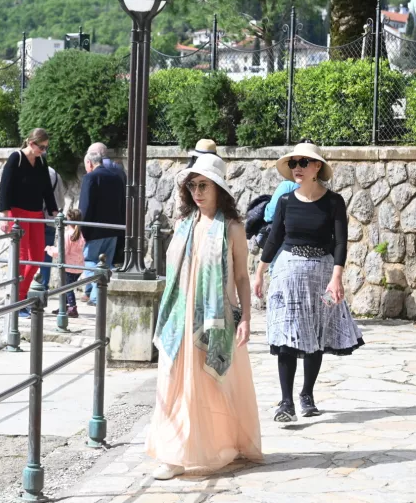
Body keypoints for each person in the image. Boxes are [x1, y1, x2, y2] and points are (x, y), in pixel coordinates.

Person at [146, 154, 262, 480]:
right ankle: (174, 454)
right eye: (192, 186)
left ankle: (222, 443)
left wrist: (246, 317)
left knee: (212, 385)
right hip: (180, 317)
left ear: (218, 189)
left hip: (215, 318)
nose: (196, 192)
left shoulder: (233, 229)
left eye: (203, 185)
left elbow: (242, 277)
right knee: (174, 382)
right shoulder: (184, 225)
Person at [252, 140, 363, 423]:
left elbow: (340, 242)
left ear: (317, 167)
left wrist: (337, 277)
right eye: (293, 163)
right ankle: (286, 402)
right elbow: (274, 238)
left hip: (322, 278)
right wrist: (260, 271)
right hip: (287, 276)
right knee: (286, 335)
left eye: (303, 162)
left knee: (317, 333)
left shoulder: (334, 202)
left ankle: (307, 395)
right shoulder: (286, 201)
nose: (297, 168)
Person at [0, 128, 59, 314]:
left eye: (46, 147)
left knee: (38, 257)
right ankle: (17, 300)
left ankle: (21, 296)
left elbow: (47, 188)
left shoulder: (41, 161)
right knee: (22, 258)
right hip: (18, 214)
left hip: (36, 214)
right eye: (41, 147)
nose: (44, 151)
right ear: (31, 143)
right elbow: (4, 188)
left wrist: (54, 211)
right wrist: (5, 216)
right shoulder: (15, 158)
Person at [78, 144, 125, 306]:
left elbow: (85, 206)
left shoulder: (90, 178)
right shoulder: (116, 178)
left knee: (89, 260)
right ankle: (97, 297)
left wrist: (81, 228)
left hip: (95, 230)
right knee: (107, 262)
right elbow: (121, 203)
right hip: (113, 228)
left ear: (89, 163)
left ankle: (97, 297)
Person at [45, 207, 85, 318]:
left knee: (67, 288)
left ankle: (72, 307)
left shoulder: (67, 234)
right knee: (69, 287)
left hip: (68, 267)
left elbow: (62, 251)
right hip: (79, 267)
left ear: (68, 219)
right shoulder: (79, 234)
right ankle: (64, 306)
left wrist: (50, 249)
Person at [39, 164, 66, 289]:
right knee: (46, 255)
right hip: (50, 220)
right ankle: (43, 286)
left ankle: (28, 287)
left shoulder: (32, 171)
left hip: (33, 220)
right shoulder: (55, 174)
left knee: (28, 255)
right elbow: (61, 200)